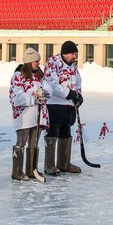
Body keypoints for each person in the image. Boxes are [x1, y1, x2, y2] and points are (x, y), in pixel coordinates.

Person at [9, 47, 51, 180]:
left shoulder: (40, 75)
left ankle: (32, 170)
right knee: (21, 142)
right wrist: (34, 97)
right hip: (24, 116)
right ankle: (17, 171)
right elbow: (16, 97)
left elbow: (48, 88)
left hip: (38, 115)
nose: (38, 63)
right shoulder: (18, 75)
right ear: (29, 61)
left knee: (34, 143)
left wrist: (44, 93)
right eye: (36, 61)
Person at [43, 40, 83, 175]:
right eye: (72, 53)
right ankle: (49, 165)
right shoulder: (53, 63)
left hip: (68, 105)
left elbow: (77, 82)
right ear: (65, 53)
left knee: (66, 132)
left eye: (75, 53)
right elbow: (53, 85)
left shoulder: (73, 66)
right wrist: (70, 94)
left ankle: (64, 163)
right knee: (52, 133)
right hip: (54, 104)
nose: (75, 56)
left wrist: (78, 96)